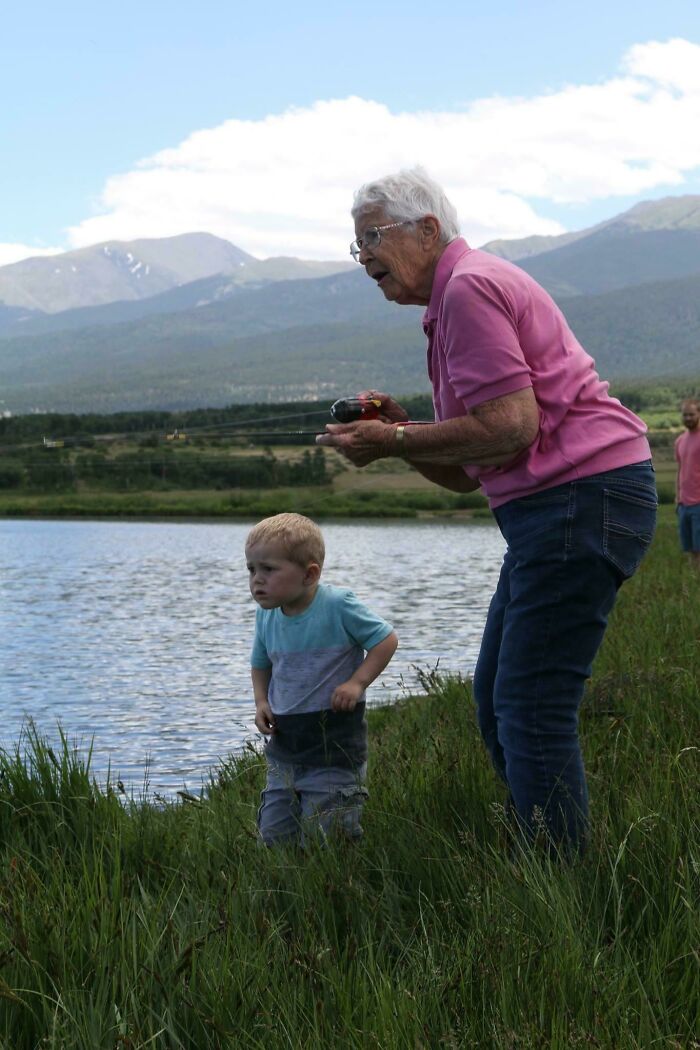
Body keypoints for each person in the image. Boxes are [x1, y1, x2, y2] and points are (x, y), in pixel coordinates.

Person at [316, 167, 657, 854]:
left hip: (579, 499)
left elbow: (511, 427)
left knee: (529, 705)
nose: (363, 258)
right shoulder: (451, 303)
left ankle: (557, 877)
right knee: (498, 695)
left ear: (428, 230)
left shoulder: (469, 288)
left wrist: (396, 440)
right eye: (357, 245)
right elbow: (469, 475)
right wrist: (401, 435)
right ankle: (539, 846)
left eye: (372, 238)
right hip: (561, 508)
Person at [246, 512, 398, 846]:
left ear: (309, 574)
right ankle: (285, 875)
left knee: (329, 837)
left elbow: (385, 640)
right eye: (251, 569)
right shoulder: (266, 616)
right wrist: (261, 701)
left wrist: (357, 683)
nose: (257, 580)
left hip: (334, 749)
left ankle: (337, 874)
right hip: (285, 750)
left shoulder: (337, 605)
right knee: (274, 836)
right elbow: (260, 663)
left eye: (268, 569)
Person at [675, 398, 700, 571]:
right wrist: (678, 497)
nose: (688, 418)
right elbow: (680, 470)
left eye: (691, 414)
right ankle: (693, 582)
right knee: (690, 549)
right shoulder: (680, 441)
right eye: (685, 415)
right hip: (684, 504)